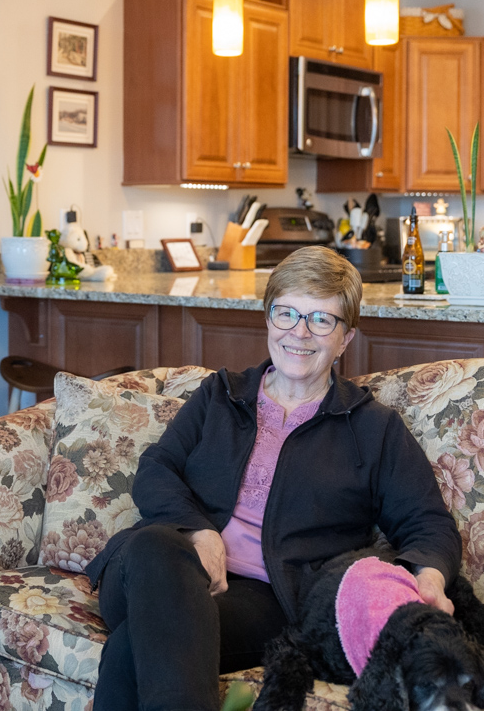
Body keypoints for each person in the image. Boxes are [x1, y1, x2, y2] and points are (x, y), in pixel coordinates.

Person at [84, 246, 461, 711]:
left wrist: (430, 579)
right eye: (286, 314)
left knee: (128, 649)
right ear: (268, 320)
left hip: (267, 597)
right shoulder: (221, 395)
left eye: (321, 320)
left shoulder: (371, 427)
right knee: (154, 546)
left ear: (345, 338)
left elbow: (428, 523)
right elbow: (156, 469)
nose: (299, 333)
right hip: (155, 568)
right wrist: (202, 535)